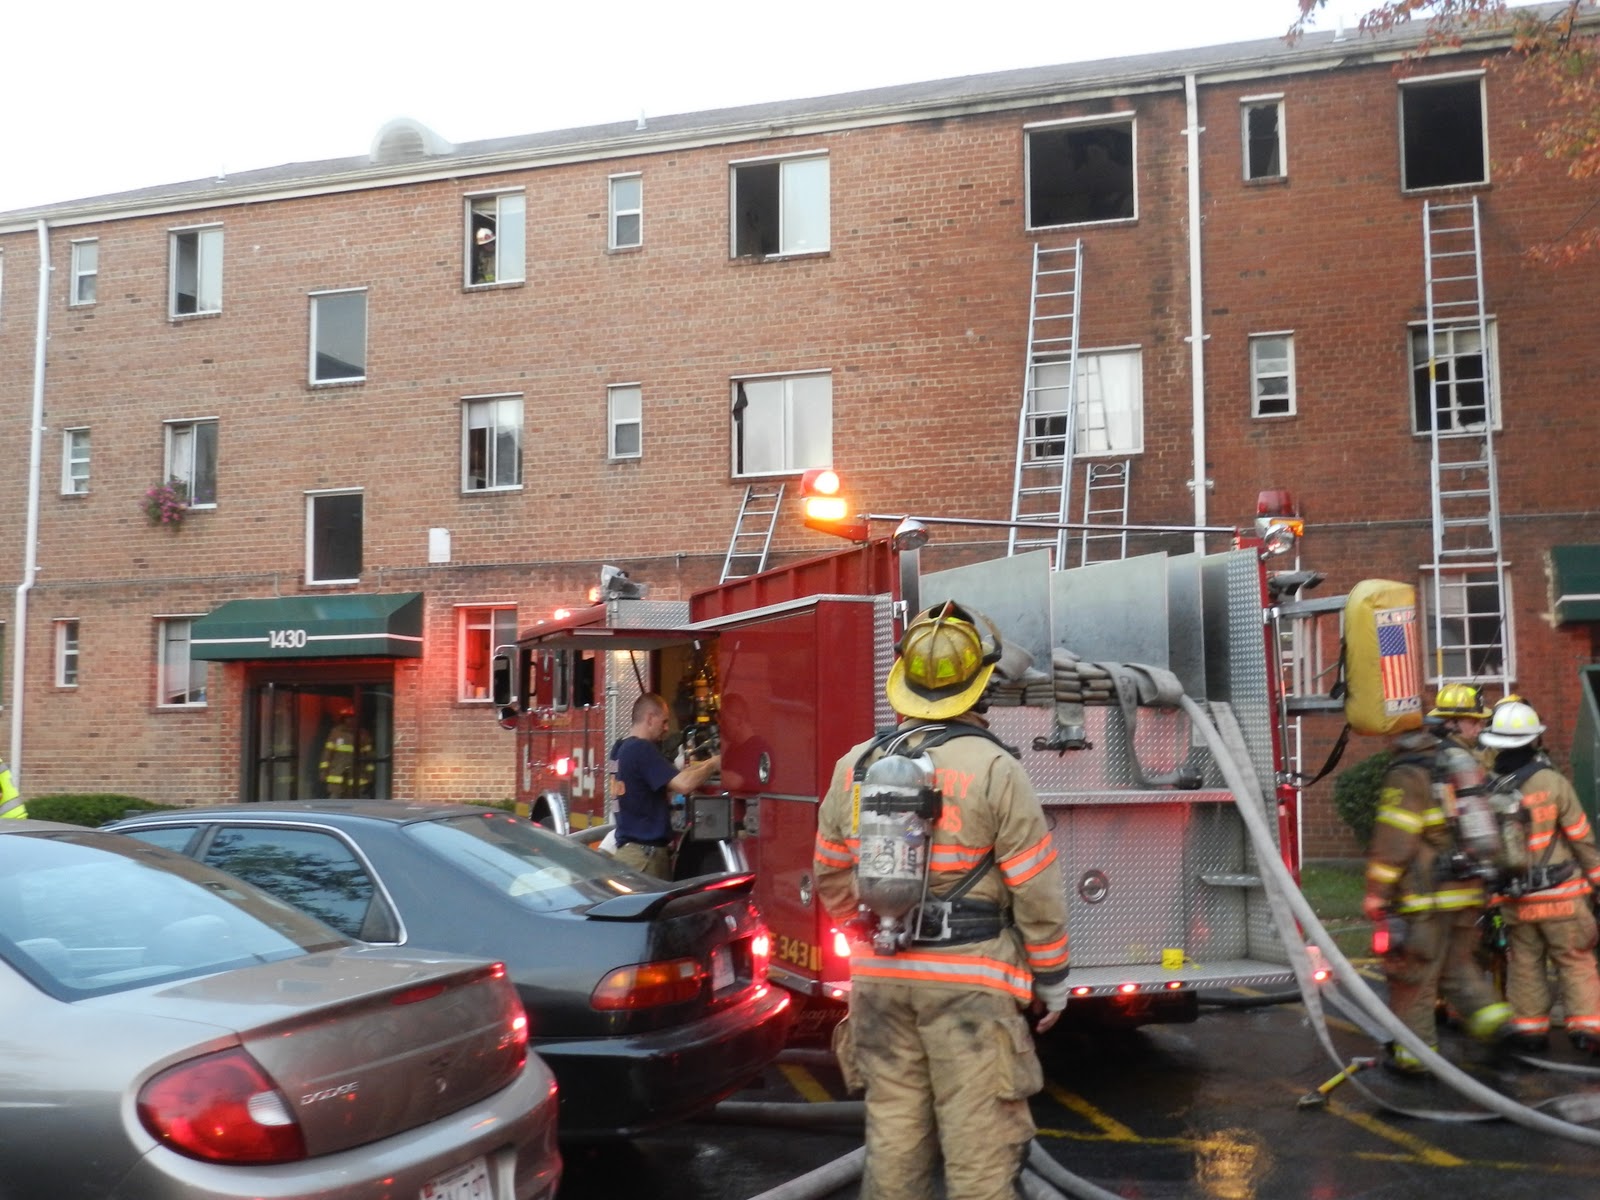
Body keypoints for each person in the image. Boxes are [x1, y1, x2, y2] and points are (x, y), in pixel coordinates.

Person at [813, 601, 1070, 1200]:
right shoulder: (996, 770)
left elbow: (829, 876)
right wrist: (1051, 980)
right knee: (980, 1147)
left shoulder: (855, 766)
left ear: (904, 683)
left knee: (894, 1133)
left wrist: (875, 929)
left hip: (878, 979)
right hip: (970, 985)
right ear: (979, 687)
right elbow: (1035, 888)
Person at [1363, 682, 1511, 1074]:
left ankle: (1412, 1059)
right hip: (1466, 891)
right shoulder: (1452, 764)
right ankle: (1496, 1023)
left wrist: (1377, 893)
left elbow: (1394, 841)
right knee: (1459, 971)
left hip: (1426, 901)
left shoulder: (1407, 774)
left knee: (1413, 979)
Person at [1481, 700, 1600, 1054]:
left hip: (1515, 899)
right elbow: (1582, 838)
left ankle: (1530, 1031)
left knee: (1525, 964)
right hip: (1562, 896)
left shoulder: (1488, 787)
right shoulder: (1552, 782)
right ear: (1533, 740)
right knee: (1574, 959)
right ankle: (1587, 1030)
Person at [609, 693, 720, 879]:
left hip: (629, 855)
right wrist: (715, 763)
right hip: (645, 860)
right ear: (650, 718)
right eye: (665, 722)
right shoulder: (642, 749)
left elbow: (674, 777)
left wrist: (705, 763)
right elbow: (684, 785)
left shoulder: (619, 749)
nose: (667, 728)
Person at [717, 692, 773, 793]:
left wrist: (704, 772)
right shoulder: (733, 749)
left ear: (739, 720)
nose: (721, 727)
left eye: (724, 721)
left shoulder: (758, 748)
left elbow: (734, 781)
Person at [319, 700, 374, 798]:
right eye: (347, 718)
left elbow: (369, 756)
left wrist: (369, 776)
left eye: (352, 718)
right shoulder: (336, 733)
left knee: (359, 804)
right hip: (337, 776)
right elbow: (327, 754)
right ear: (343, 719)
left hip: (358, 777)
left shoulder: (363, 734)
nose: (350, 720)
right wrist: (324, 772)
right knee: (334, 803)